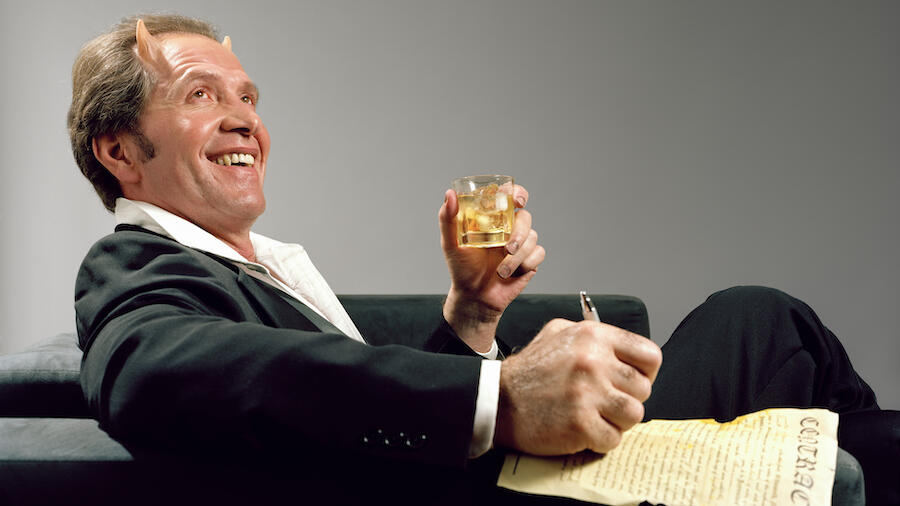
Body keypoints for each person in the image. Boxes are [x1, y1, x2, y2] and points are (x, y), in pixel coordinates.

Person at [69, 14, 885, 505]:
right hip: (500, 488)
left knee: (756, 322)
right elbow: (149, 371)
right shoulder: (135, 268)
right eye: (201, 95)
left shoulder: (251, 264)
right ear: (119, 151)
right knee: (760, 326)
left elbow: (350, 417)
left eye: (248, 97)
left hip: (484, 471)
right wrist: (501, 396)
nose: (245, 118)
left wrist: (473, 314)